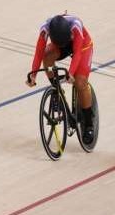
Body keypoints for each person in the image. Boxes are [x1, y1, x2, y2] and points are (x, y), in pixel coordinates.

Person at [26, 12, 95, 144]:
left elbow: (77, 55)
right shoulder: (45, 29)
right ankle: (57, 90)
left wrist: (71, 73)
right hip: (61, 44)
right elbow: (38, 54)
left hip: (82, 46)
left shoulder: (76, 26)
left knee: (80, 82)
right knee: (46, 55)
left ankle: (89, 123)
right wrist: (33, 75)